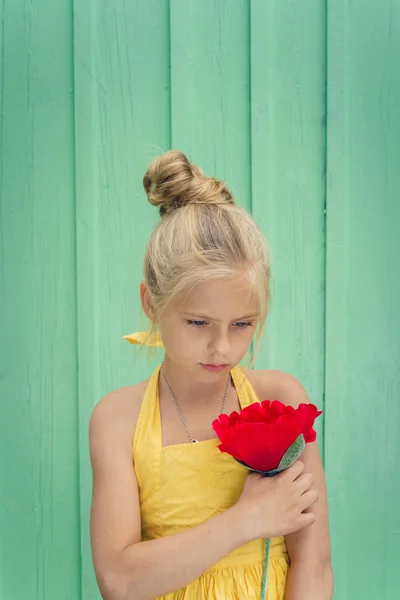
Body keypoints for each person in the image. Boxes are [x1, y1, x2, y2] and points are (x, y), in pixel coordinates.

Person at [89, 151, 333, 600]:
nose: (223, 347)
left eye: (242, 324)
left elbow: (314, 566)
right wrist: (247, 520)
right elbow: (120, 581)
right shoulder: (118, 420)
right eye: (199, 323)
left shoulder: (277, 400)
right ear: (151, 303)